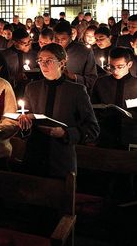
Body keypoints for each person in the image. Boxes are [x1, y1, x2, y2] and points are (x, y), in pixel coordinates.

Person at [18, 43, 99, 178]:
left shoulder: (76, 91)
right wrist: (24, 125)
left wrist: (65, 133)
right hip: (34, 155)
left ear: (62, 63)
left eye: (48, 61)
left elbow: (92, 129)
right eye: (40, 61)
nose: (43, 65)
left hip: (61, 158)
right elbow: (27, 125)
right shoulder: (32, 88)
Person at [91, 47, 137, 149]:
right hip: (105, 134)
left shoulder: (135, 84)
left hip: (130, 135)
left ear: (129, 64)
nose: (115, 70)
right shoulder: (101, 83)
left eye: (120, 66)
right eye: (111, 66)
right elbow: (92, 108)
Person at [2, 27, 39, 97]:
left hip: (30, 91)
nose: (28, 45)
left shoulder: (34, 55)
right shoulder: (5, 56)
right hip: (10, 91)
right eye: (24, 43)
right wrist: (14, 78)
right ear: (14, 42)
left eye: (29, 41)